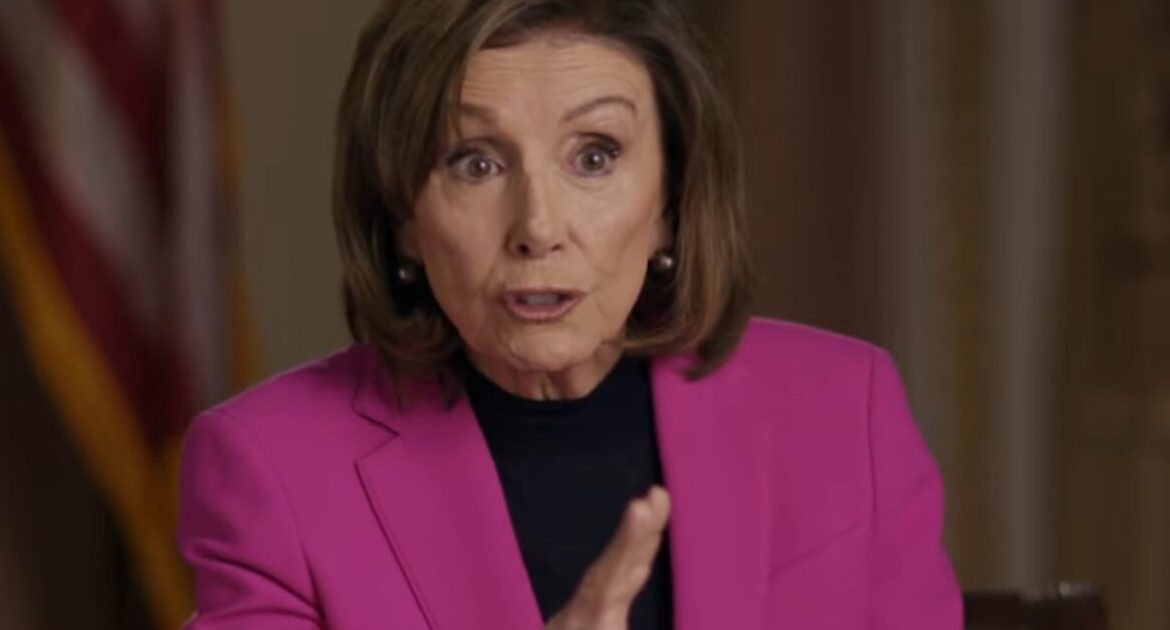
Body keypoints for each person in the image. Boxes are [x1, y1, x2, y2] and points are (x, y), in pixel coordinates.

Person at [177, 0, 962, 628]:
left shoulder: (845, 409)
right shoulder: (271, 469)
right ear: (403, 215)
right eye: (476, 162)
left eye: (594, 156)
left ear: (670, 203)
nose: (538, 227)